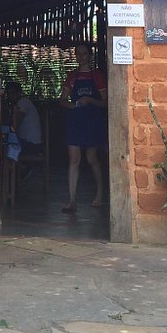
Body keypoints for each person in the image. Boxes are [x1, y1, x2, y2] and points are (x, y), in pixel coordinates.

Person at [59, 44, 108, 212]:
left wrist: (90, 100)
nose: (81, 57)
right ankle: (72, 200)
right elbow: (62, 99)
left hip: (92, 120)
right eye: (78, 54)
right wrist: (72, 105)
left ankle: (100, 193)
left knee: (91, 158)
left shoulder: (97, 76)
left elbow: (105, 102)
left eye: (84, 54)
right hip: (75, 121)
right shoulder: (72, 76)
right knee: (74, 159)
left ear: (90, 55)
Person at [8, 82, 42, 156]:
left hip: (31, 145)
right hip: (27, 143)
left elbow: (14, 127)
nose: (10, 96)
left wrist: (14, 112)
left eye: (12, 93)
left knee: (7, 146)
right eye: (9, 94)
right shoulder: (22, 103)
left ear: (19, 93)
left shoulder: (23, 103)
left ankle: (10, 163)